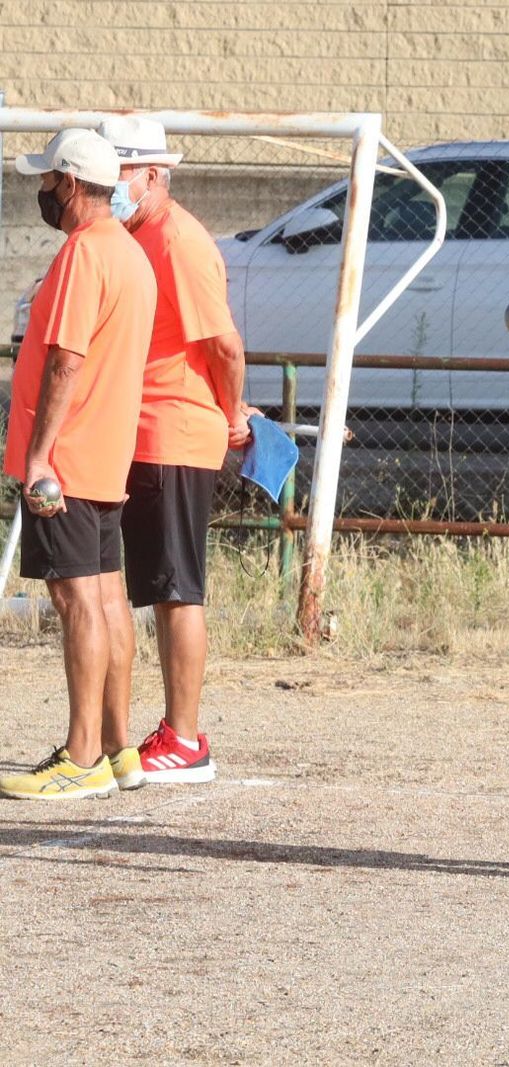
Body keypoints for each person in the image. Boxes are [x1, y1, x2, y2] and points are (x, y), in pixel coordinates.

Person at [1, 129, 157, 800]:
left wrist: (39, 455)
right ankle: (119, 748)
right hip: (105, 451)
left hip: (65, 456)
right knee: (104, 595)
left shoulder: (83, 254)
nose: (40, 190)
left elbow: (66, 359)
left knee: (73, 597)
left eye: (46, 179)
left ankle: (84, 753)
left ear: (69, 182)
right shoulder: (130, 252)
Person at [98, 116, 252, 785]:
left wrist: (233, 412)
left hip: (175, 431)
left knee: (178, 587)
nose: (110, 186)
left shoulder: (177, 239)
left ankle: (185, 738)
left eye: (120, 173)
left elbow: (223, 343)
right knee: (163, 587)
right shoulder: (141, 234)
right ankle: (177, 732)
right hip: (153, 429)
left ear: (153, 175)